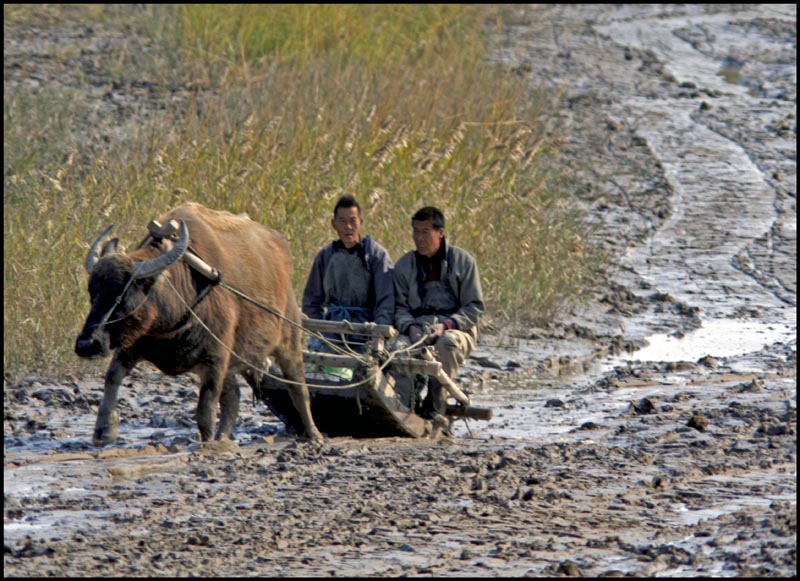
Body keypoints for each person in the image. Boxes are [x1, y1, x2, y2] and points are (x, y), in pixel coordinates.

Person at [393, 206, 484, 419]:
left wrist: (446, 326)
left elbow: (475, 308)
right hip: (418, 328)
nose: (419, 238)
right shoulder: (404, 266)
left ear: (440, 233)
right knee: (397, 349)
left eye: (425, 232)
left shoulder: (464, 262)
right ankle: (403, 406)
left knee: (447, 344)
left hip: (456, 329)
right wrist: (411, 327)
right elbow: (399, 308)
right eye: (416, 231)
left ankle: (436, 405)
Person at [302, 195, 394, 354]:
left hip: (365, 331)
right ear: (333, 224)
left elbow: (386, 301)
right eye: (342, 221)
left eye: (353, 221)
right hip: (331, 330)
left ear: (361, 223)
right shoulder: (325, 256)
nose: (348, 227)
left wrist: (378, 334)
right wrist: (318, 330)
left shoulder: (376, 256)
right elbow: (312, 300)